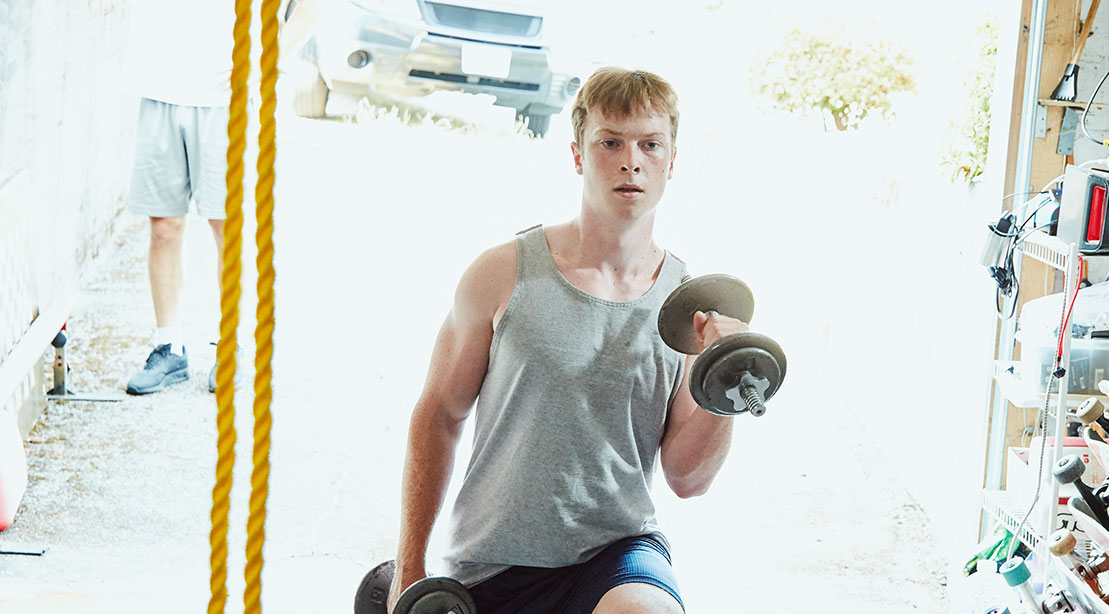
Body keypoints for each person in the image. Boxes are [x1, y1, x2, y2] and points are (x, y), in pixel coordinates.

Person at [388, 67, 749, 614]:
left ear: (672, 162)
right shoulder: (501, 274)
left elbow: (687, 479)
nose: (631, 161)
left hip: (618, 551)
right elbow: (439, 416)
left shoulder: (688, 309)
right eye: (611, 142)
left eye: (651, 145)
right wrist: (409, 567)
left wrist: (723, 386)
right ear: (578, 154)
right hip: (492, 564)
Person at [123, 0, 235, 395]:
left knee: (227, 228)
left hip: (225, 98)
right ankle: (169, 347)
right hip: (160, 90)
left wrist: (269, 59)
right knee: (163, 227)